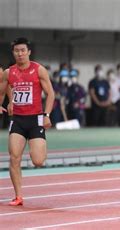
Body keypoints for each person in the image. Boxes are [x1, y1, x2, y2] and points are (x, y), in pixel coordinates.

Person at [0, 37, 55, 206]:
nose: (20, 54)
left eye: (23, 50)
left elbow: (51, 94)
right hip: (17, 120)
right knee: (14, 157)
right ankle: (18, 196)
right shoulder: (9, 72)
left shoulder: (39, 70)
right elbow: (2, 91)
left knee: (38, 160)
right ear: (13, 53)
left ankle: (38, 147)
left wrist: (47, 114)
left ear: (29, 52)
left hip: (36, 119)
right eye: (17, 51)